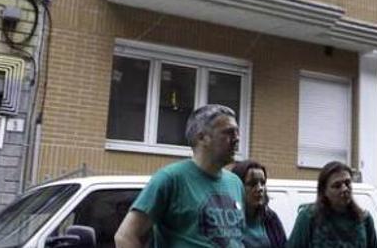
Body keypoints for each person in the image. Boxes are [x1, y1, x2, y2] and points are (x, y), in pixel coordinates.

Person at [115, 104, 246, 248]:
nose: (237, 138)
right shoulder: (170, 179)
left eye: (237, 132)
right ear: (202, 138)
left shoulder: (236, 183)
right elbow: (125, 236)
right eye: (228, 132)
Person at [287, 161, 377, 248]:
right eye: (337, 186)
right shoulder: (308, 217)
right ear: (324, 191)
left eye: (347, 183)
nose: (345, 189)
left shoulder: (364, 219)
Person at [230, 160, 288, 248]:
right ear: (238, 186)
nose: (260, 188)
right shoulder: (227, 219)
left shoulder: (270, 218)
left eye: (263, 183)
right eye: (252, 184)